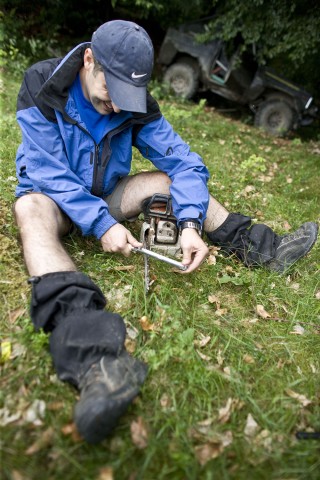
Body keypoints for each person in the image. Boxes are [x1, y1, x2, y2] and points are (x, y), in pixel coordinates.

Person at [13, 20, 318, 444]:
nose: (119, 108)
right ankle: (95, 360)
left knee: (170, 181)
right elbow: (47, 172)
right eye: (111, 93)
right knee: (29, 208)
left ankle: (264, 249)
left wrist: (190, 224)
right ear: (89, 60)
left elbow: (186, 164)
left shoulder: (133, 103)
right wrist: (101, 224)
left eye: (127, 98)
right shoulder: (41, 84)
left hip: (108, 194)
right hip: (54, 199)